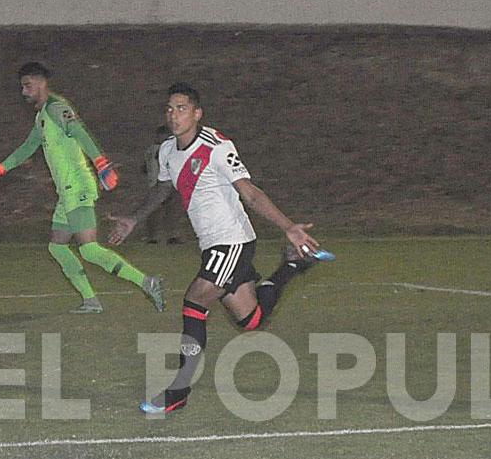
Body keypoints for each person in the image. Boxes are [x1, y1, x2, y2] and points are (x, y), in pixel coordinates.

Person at [108, 82, 333, 414]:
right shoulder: (167, 150)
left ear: (197, 113)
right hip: (212, 245)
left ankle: (178, 391)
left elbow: (250, 193)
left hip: (232, 241)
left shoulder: (216, 145)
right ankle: (292, 266)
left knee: (194, 300)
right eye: (169, 109)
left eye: (181, 108)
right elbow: (163, 189)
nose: (174, 115)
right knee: (251, 319)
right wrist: (134, 220)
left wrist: (288, 227)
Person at [0, 62, 167, 315]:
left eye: (27, 85)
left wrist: (102, 164)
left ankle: (146, 282)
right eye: (22, 86)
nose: (23, 92)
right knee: (57, 247)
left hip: (78, 187)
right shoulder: (43, 115)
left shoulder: (56, 108)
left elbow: (79, 132)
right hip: (67, 192)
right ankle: (91, 300)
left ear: (41, 82)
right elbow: (27, 147)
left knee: (88, 249)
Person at [140, 125, 186, 245]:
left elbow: (144, 168)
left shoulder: (155, 149)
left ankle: (171, 235)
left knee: (171, 211)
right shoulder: (161, 149)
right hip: (159, 184)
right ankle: (156, 236)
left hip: (166, 183)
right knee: (155, 212)